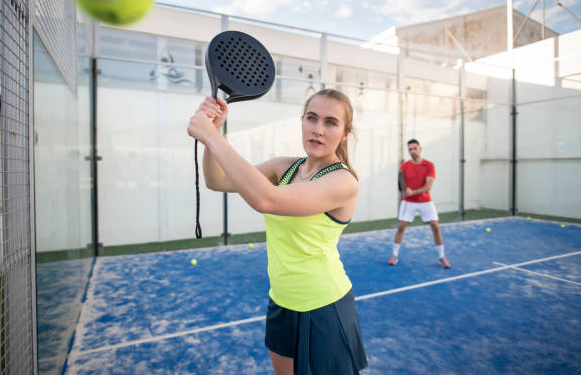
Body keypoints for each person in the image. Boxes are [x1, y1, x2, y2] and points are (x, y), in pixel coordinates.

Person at [187, 89, 368, 375]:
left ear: (345, 133)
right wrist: (214, 131)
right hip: (282, 301)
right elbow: (216, 180)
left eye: (331, 122)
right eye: (312, 118)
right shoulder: (285, 167)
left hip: (324, 306)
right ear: (302, 121)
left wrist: (212, 137)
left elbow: (266, 200)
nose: (318, 130)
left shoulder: (343, 182)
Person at [389, 139, 451, 269]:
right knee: (401, 227)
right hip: (408, 202)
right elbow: (402, 184)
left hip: (425, 201)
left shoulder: (429, 165)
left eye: (414, 148)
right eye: (410, 149)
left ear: (420, 148)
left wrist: (412, 192)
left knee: (435, 226)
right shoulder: (404, 166)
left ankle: (441, 257)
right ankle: (394, 255)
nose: (412, 151)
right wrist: (406, 191)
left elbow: (428, 186)